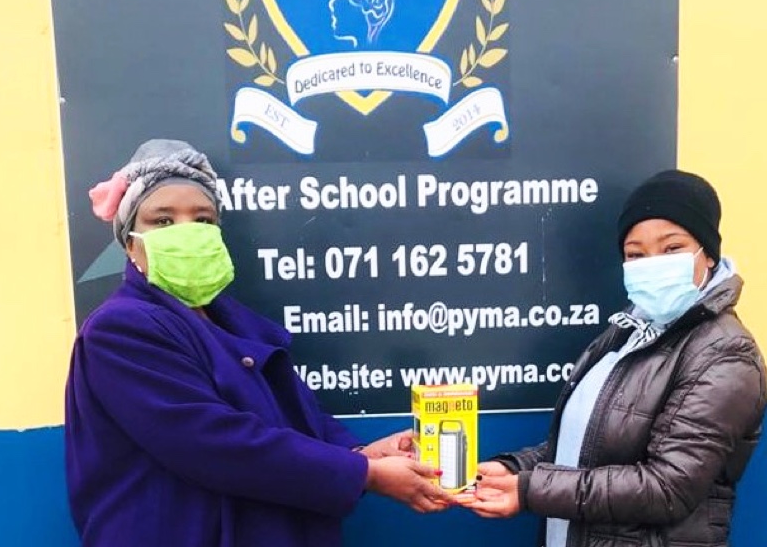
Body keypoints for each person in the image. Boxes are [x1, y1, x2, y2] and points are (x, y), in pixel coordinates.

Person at [65, 139, 452, 547]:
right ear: (130, 243)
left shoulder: (236, 323)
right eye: (163, 221)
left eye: (203, 220)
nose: (187, 232)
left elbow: (296, 417)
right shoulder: (120, 329)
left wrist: (359, 453)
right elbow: (211, 443)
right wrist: (365, 475)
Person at [465, 170, 767, 547]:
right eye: (635, 254)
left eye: (672, 248)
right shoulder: (626, 332)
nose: (653, 263)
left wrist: (528, 490)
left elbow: (667, 487)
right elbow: (584, 446)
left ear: (707, 253)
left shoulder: (725, 352)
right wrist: (511, 469)